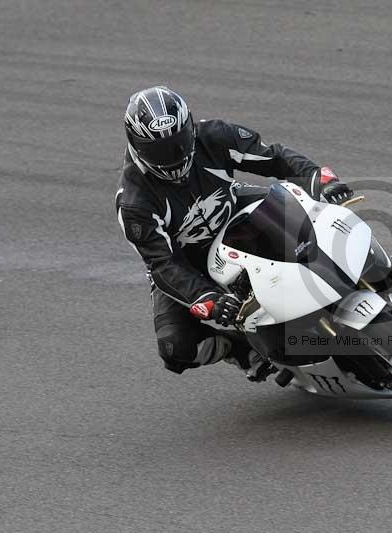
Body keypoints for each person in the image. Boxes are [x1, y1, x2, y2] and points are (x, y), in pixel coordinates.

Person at [115, 86, 354, 378]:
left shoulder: (214, 136)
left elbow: (273, 156)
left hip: (235, 209)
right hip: (189, 262)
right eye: (158, 151)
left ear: (190, 128)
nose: (173, 157)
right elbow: (162, 264)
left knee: (307, 210)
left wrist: (318, 177)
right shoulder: (134, 201)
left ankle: (367, 269)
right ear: (136, 146)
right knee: (175, 348)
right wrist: (205, 297)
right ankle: (244, 352)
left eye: (178, 143)